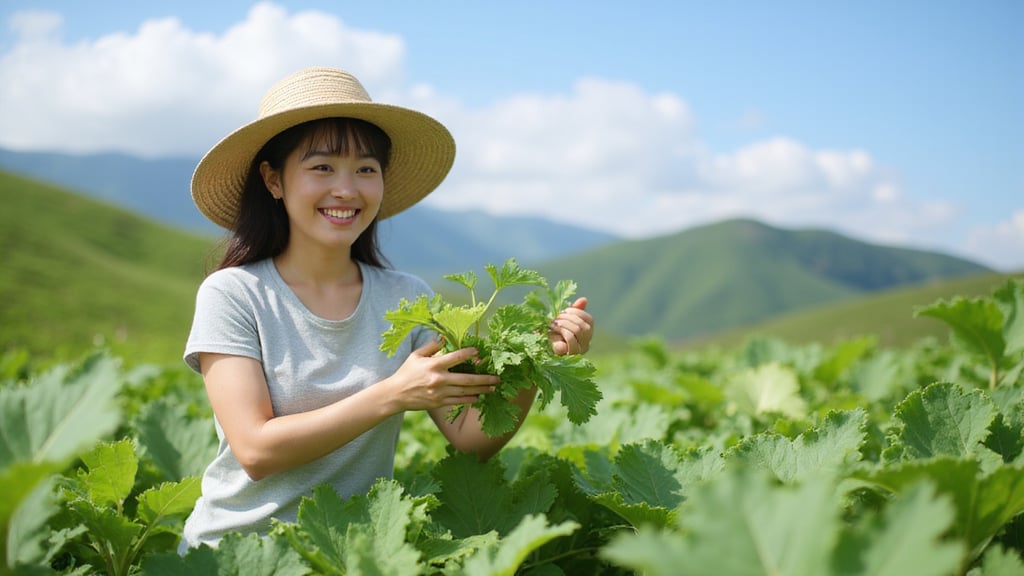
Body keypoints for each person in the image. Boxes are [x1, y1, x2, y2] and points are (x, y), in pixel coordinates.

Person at [179, 66, 594, 551]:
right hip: (238, 554)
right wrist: (393, 394)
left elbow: (472, 437)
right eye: (322, 167)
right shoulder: (234, 294)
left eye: (365, 169)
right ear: (273, 179)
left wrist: (539, 359)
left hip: (355, 553)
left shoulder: (404, 297)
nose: (347, 189)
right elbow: (255, 448)